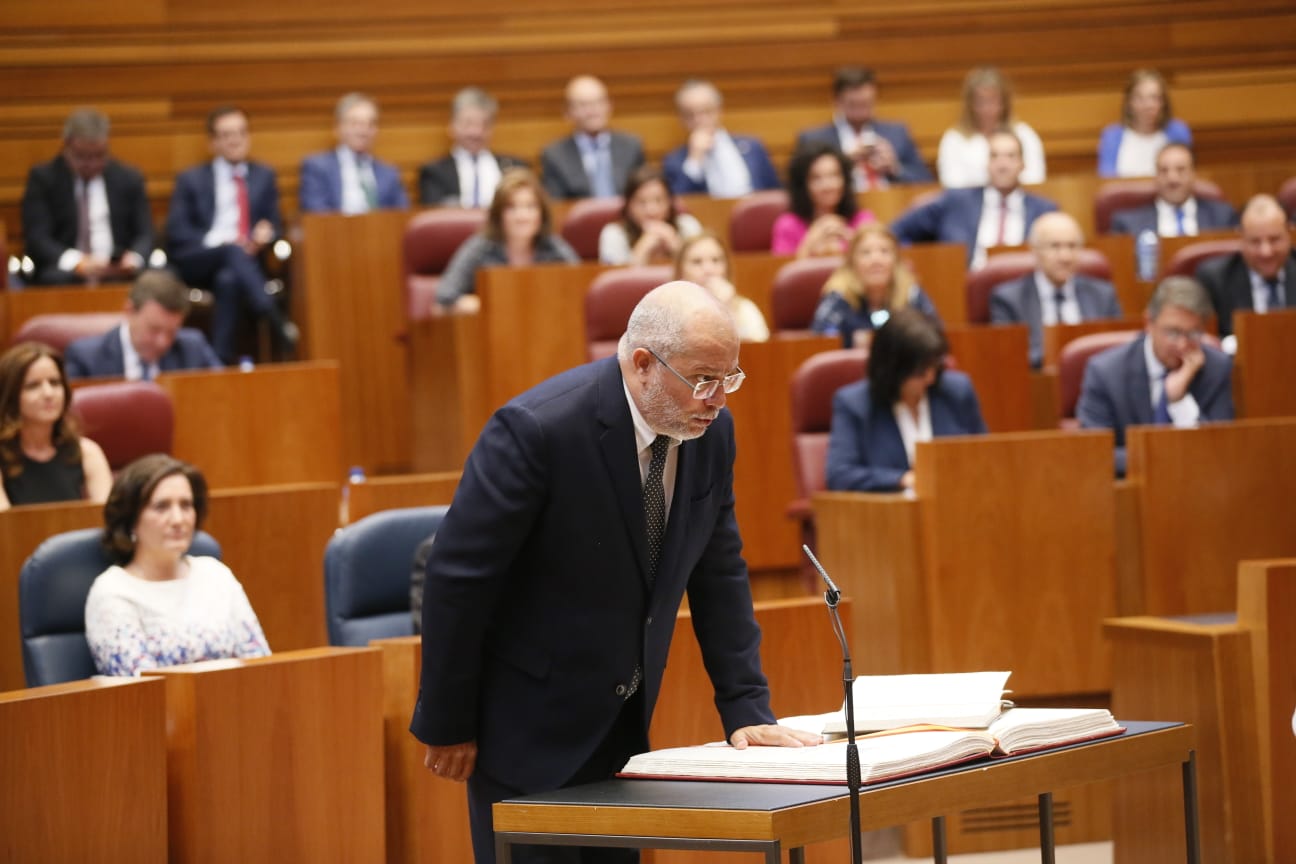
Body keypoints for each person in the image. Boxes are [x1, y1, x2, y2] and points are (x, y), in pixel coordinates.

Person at [409, 281, 823, 864]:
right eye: (704, 379)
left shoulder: (709, 436)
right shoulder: (538, 430)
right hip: (524, 731)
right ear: (643, 365)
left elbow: (718, 570)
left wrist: (746, 706)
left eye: (729, 378)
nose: (717, 399)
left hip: (622, 733)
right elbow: (458, 579)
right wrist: (448, 722)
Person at [84, 454, 270, 676]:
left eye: (186, 505)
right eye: (161, 507)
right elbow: (142, 694)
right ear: (130, 518)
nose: (178, 519)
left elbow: (261, 666)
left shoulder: (216, 574)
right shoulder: (112, 592)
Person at [165, 105, 296, 363]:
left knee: (229, 280)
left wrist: (265, 234)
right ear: (212, 142)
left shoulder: (264, 176)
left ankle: (220, 360)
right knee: (231, 251)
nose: (235, 140)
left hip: (245, 264)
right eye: (227, 134)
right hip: (199, 259)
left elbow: (275, 226)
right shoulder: (191, 179)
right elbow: (177, 231)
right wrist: (222, 245)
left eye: (241, 133)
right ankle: (272, 316)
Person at [1077, 276, 1233, 476]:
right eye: (1173, 333)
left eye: (1193, 334)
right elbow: (1095, 453)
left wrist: (1179, 401)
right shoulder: (1105, 372)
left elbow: (1220, 451)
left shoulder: (1216, 368)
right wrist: (1161, 458)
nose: (1182, 345)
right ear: (1148, 323)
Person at [826, 308, 986, 493]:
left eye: (934, 367)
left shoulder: (957, 391)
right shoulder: (855, 405)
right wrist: (902, 479)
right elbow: (839, 475)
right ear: (893, 369)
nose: (930, 378)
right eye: (920, 371)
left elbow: (984, 459)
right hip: (887, 515)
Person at [20, 108, 153, 285]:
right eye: (82, 157)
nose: (91, 164)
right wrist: (78, 262)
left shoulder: (129, 178)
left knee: (154, 280)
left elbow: (145, 233)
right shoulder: (43, 179)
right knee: (54, 278)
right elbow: (37, 238)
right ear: (66, 146)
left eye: (99, 156)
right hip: (66, 272)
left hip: (118, 269)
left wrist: (133, 259)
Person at [892, 129, 1058, 269]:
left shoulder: (1044, 211)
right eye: (994, 156)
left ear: (1022, 164)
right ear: (986, 163)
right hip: (964, 291)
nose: (1002, 165)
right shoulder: (956, 201)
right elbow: (897, 231)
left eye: (1010, 156)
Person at [990, 212, 1123, 368]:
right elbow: (1009, 357)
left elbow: (1116, 352)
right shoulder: (1008, 299)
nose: (1065, 257)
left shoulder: (1103, 295)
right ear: (1034, 250)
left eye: (1072, 246)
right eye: (1055, 246)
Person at [436, 169, 579, 313]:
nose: (522, 216)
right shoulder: (480, 248)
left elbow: (581, 291)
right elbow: (444, 299)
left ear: (542, 213)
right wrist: (487, 305)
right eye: (512, 207)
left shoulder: (554, 248)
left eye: (531, 207)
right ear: (498, 214)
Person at [0, 342, 112, 511]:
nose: (48, 393)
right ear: (10, 396)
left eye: (54, 382)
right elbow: (6, 528)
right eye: (33, 386)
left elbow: (108, 522)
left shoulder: (87, 452)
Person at [64, 270, 223, 380]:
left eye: (172, 332)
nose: (163, 342)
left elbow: (225, 393)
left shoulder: (193, 347)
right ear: (129, 311)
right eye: (154, 330)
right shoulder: (85, 358)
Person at [796, 66, 932, 187]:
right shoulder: (813, 140)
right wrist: (843, 164)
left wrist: (895, 168)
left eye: (866, 104)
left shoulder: (897, 134)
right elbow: (799, 188)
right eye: (854, 105)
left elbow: (926, 182)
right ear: (837, 102)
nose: (861, 111)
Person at [811, 224, 939, 348]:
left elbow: (934, 340)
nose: (876, 260)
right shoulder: (838, 297)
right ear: (852, 261)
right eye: (866, 253)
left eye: (885, 251)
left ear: (896, 260)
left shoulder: (911, 294)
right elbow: (821, 345)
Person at [1195, 194, 1295, 338]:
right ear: (1241, 238)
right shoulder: (1215, 280)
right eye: (1255, 242)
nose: (1266, 252)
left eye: (1274, 240)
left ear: (1289, 234)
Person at [661, 80, 780, 199]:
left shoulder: (752, 147)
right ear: (681, 119)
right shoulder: (674, 161)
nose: (698, 119)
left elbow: (776, 193)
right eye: (689, 114)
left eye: (706, 111)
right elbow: (677, 204)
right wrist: (694, 161)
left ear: (719, 110)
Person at [418, 87, 530, 208]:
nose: (476, 132)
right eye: (468, 123)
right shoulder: (434, 172)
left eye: (484, 124)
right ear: (452, 126)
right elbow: (434, 216)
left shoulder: (516, 168)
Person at [937, 66, 1046, 189]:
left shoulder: (1023, 134)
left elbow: (1035, 180)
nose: (987, 108)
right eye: (980, 101)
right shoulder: (954, 139)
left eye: (993, 101)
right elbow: (952, 185)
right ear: (970, 104)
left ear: (1004, 102)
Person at [299, 93, 409, 214]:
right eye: (355, 123)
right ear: (338, 128)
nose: (363, 131)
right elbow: (316, 215)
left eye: (370, 124)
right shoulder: (317, 168)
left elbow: (401, 215)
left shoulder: (389, 172)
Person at [540, 75, 646, 200]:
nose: (592, 111)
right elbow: (556, 206)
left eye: (598, 102)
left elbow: (642, 195)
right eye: (583, 105)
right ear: (568, 112)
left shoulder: (631, 146)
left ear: (609, 105)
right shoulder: (554, 155)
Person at [1109, 144, 1238, 237]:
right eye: (1164, 171)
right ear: (1155, 176)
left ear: (1193, 174)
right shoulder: (1127, 224)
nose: (1172, 179)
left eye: (1180, 170)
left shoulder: (1222, 218)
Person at [772, 143, 874, 258]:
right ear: (803, 185)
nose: (828, 186)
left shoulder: (862, 219)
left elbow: (876, 262)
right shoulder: (788, 225)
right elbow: (782, 271)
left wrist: (851, 239)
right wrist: (812, 239)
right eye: (816, 178)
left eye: (834, 175)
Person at [599, 165, 703, 266]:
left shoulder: (688, 226)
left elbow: (702, 269)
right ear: (628, 206)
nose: (651, 211)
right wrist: (643, 246)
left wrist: (675, 245)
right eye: (641, 202)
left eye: (658, 200)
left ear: (670, 202)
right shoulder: (613, 234)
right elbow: (616, 280)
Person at [674, 232, 768, 341]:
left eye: (716, 260)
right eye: (697, 262)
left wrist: (727, 309)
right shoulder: (670, 310)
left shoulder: (744, 308)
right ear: (681, 271)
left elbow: (758, 350)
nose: (708, 269)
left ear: (727, 267)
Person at [1098, 69, 1192, 179]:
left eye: (1154, 98)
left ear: (1163, 102)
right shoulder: (1112, 136)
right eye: (1140, 98)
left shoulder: (1178, 132)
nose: (1148, 105)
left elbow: (1186, 177)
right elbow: (1107, 182)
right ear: (1129, 103)